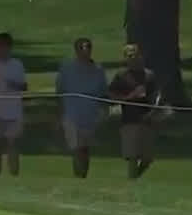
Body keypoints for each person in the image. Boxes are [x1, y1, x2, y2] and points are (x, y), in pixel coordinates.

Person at [56, 37, 108, 179]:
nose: (85, 51)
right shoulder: (66, 68)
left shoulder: (98, 70)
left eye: (88, 48)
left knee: (84, 148)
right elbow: (60, 91)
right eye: (82, 48)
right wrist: (59, 113)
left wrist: (104, 110)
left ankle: (82, 175)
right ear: (76, 50)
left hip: (90, 114)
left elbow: (103, 93)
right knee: (76, 147)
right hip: (71, 113)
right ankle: (78, 174)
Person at [108, 43, 161, 179]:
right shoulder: (121, 75)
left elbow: (156, 95)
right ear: (125, 58)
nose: (133, 58)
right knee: (132, 156)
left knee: (148, 158)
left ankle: (134, 178)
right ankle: (132, 180)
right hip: (129, 120)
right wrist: (129, 97)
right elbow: (111, 95)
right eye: (129, 56)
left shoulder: (149, 75)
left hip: (147, 120)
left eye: (135, 55)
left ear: (140, 56)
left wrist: (153, 111)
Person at [0, 33, 27, 177]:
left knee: (13, 144)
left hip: (14, 111)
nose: (2, 51)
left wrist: (15, 85)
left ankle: (14, 176)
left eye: (5, 47)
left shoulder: (17, 65)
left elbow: (24, 86)